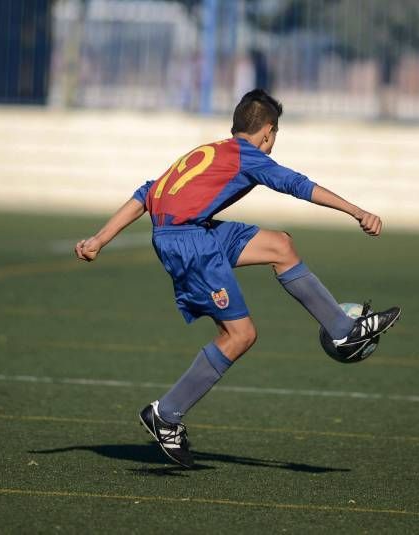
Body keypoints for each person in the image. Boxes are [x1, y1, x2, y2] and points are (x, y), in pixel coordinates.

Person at [74, 89, 401, 468]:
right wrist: (357, 211)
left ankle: (343, 329)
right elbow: (299, 185)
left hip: (197, 230)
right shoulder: (249, 157)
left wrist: (100, 239)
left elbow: (146, 193)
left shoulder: (209, 152)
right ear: (268, 132)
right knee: (240, 335)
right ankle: (167, 412)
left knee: (280, 246)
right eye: (275, 136)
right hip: (188, 242)